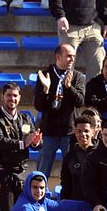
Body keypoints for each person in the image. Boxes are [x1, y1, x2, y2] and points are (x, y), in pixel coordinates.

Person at [34, 42, 85, 182]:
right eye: (68, 56)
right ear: (58, 57)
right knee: (42, 171)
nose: (72, 59)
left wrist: (69, 88)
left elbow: (80, 102)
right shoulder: (45, 75)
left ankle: (69, 197)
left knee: (72, 170)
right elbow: (38, 106)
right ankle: (37, 199)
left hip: (69, 131)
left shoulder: (77, 76)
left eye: (73, 56)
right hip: (49, 130)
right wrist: (45, 90)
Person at [0, 83, 39, 211]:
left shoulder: (25, 118)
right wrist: (22, 143)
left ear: (19, 98)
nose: (12, 99)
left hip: (20, 173)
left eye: (15, 96)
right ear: (2, 96)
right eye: (9, 95)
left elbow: (34, 142)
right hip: (1, 174)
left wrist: (36, 142)